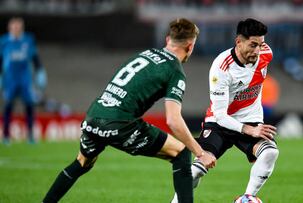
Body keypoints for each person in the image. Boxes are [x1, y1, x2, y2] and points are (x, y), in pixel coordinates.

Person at [42, 18, 216, 203]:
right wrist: (200, 152)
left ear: (167, 40)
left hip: (94, 115)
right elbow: (173, 120)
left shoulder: (146, 54)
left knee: (82, 163)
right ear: (190, 46)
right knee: (181, 153)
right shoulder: (175, 70)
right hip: (120, 122)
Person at [171, 18, 279, 203]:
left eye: (261, 45)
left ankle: (247, 198)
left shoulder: (266, 53)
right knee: (196, 170)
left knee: (270, 152)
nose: (257, 51)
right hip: (220, 122)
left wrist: (252, 126)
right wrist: (250, 130)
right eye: (253, 45)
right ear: (238, 41)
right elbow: (220, 116)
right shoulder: (221, 67)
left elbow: (260, 55)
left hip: (250, 119)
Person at [0, 17, 47, 145]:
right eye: (14, 27)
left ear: (22, 28)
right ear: (9, 28)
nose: (16, 29)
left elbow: (35, 58)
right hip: (10, 81)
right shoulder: (4, 42)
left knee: (29, 107)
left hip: (25, 80)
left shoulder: (28, 40)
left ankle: (31, 136)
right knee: (8, 107)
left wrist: (40, 72)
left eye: (19, 27)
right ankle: (5, 136)